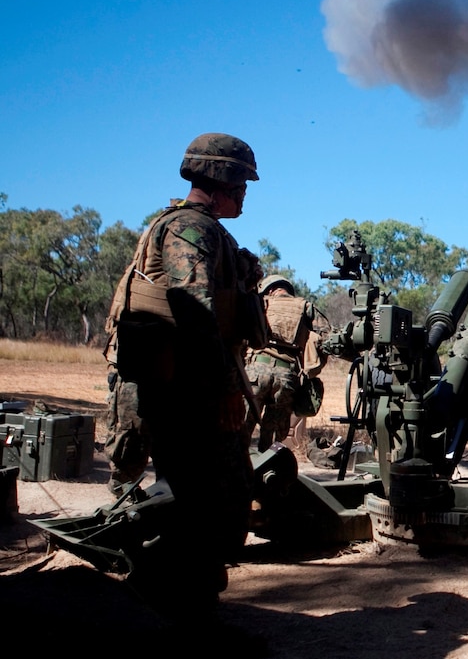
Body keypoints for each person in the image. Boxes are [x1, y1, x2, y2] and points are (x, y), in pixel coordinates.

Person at [102, 132, 267, 627]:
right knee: (217, 503)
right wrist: (224, 391)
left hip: (188, 384)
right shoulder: (190, 230)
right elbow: (194, 310)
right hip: (186, 390)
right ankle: (177, 607)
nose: (244, 193)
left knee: (209, 500)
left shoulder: (199, 228)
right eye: (241, 182)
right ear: (220, 179)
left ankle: (181, 601)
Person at [244, 275, 331, 451]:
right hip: (286, 376)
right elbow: (328, 338)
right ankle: (268, 472)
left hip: (255, 372)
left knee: (241, 428)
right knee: (273, 441)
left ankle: (237, 473)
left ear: (269, 290)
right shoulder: (305, 306)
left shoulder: (262, 303)